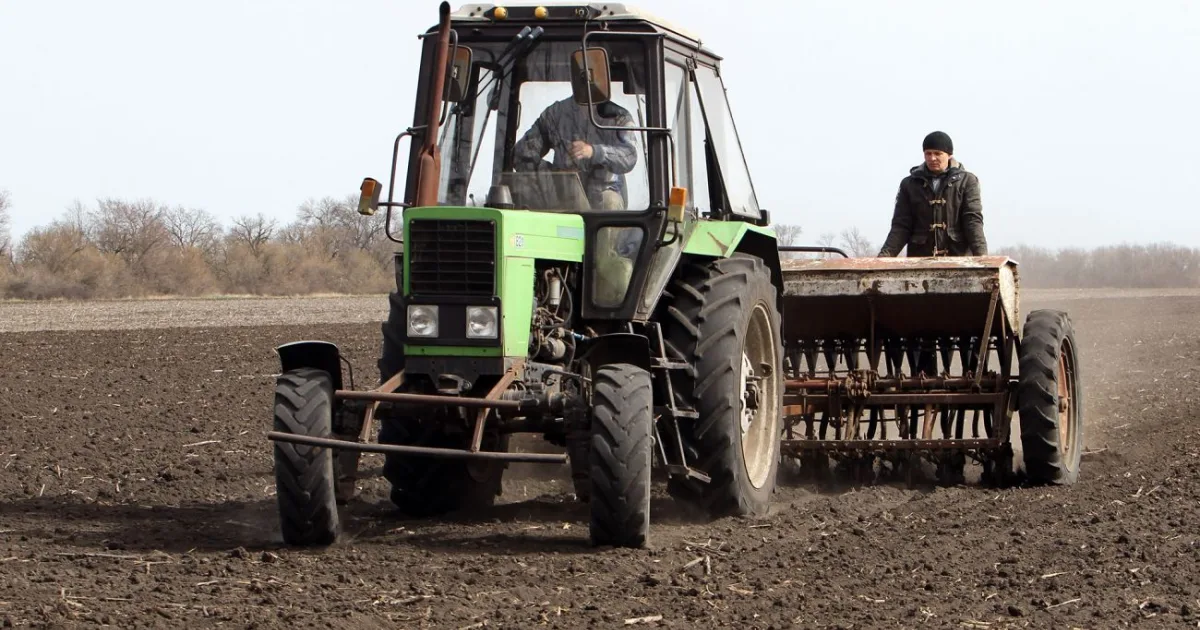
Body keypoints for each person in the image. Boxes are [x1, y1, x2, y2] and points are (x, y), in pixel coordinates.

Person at [512, 95, 639, 211]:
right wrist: (554, 176)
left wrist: (595, 152)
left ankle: (597, 236)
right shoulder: (555, 114)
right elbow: (521, 154)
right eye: (579, 72)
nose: (587, 78)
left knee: (610, 202)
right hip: (566, 199)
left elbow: (630, 155)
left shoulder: (618, 117)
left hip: (604, 194)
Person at [877, 131, 988, 257]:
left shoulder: (967, 181)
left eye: (937, 153)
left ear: (949, 155)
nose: (932, 158)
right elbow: (901, 226)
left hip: (957, 257)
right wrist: (884, 258)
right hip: (920, 259)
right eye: (928, 153)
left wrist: (982, 257)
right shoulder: (909, 184)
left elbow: (972, 221)